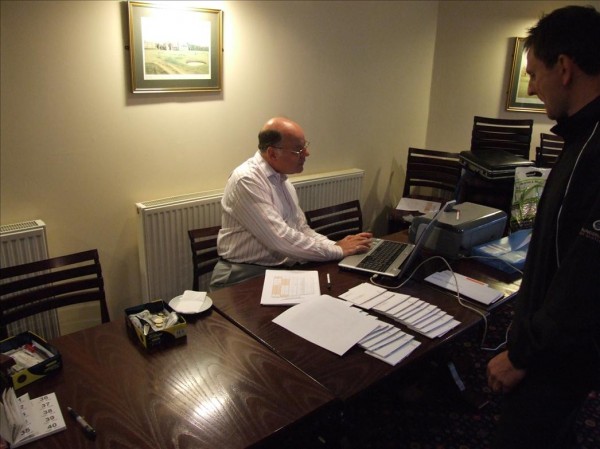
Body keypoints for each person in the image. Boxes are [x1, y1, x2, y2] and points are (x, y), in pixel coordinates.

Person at [486, 5, 600, 449]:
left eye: (534, 74)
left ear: (565, 68)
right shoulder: (578, 138)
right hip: (552, 352)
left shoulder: (593, 151)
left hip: (555, 360)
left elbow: (583, 280)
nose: (532, 88)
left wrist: (521, 354)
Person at [210, 117, 372, 289]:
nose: (306, 154)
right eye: (298, 150)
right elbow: (280, 238)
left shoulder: (281, 179)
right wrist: (338, 250)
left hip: (278, 270)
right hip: (242, 274)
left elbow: (301, 228)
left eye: (305, 146)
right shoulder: (247, 179)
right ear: (272, 153)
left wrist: (335, 245)